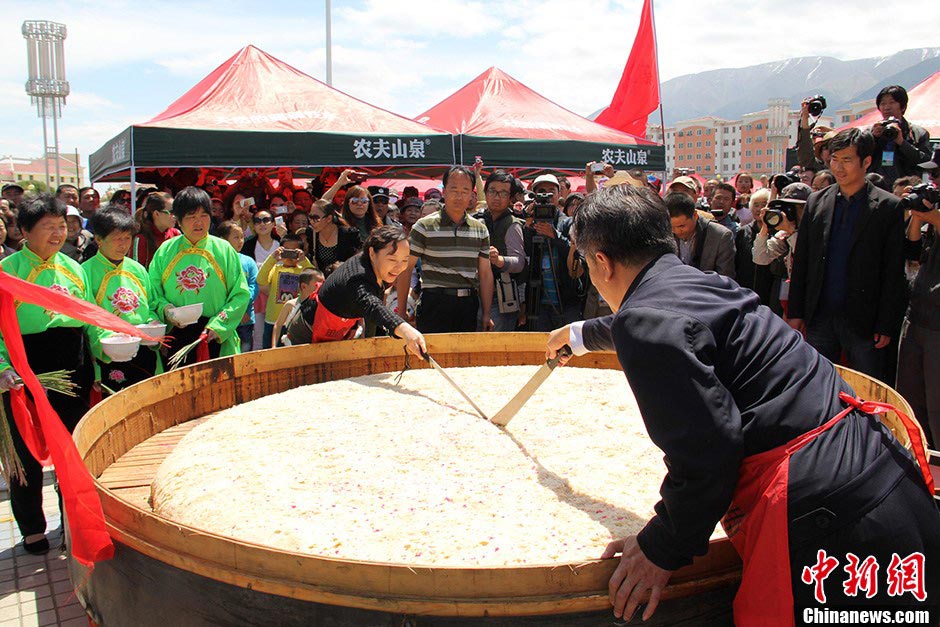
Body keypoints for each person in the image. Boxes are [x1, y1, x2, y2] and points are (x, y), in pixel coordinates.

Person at [545, 183, 940, 624]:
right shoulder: (705, 283)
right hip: (884, 473)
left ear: (601, 261)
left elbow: (709, 452)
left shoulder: (649, 319)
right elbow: (658, 321)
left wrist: (661, 544)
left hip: (833, 521)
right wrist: (580, 335)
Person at [0, 194, 107, 555]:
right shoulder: (7, 271)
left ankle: (70, 516)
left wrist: (101, 357)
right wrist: (3, 368)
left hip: (72, 368)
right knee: (24, 452)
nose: (58, 233)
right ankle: (31, 527)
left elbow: (90, 317)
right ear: (24, 231)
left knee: (71, 449)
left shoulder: (74, 267)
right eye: (48, 227)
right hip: (23, 371)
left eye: (62, 226)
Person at [788, 128, 906, 380]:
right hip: (820, 315)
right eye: (834, 160)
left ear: (866, 162)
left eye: (847, 160)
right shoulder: (817, 202)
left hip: (864, 319)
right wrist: (796, 312)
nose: (838, 168)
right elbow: (803, 261)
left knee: (866, 388)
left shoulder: (888, 207)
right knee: (819, 384)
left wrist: (886, 323)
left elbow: (893, 270)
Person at [148, 186, 250, 365]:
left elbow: (240, 294)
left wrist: (218, 325)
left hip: (214, 334)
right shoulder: (165, 250)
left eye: (204, 215)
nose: (199, 222)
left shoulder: (224, 249)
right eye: (191, 217)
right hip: (176, 334)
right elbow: (153, 292)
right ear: (178, 220)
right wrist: (166, 310)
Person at [395, 166, 494, 333]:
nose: (459, 195)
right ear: (444, 191)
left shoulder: (480, 229)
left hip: (468, 305)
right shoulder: (423, 226)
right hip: (434, 304)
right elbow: (405, 269)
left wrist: (486, 313)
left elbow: (485, 273)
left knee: (465, 357)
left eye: (465, 190)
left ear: (472, 194)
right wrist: (402, 310)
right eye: (453, 189)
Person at [304, 225, 426, 355]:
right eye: (392, 259)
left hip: (343, 329)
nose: (399, 267)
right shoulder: (357, 276)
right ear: (372, 253)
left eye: (404, 261)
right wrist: (404, 329)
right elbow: (372, 305)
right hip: (308, 329)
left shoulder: (374, 266)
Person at [83, 209, 161, 392]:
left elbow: (150, 304)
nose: (123, 244)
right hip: (109, 351)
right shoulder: (85, 271)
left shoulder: (138, 269)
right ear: (99, 239)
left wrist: (152, 322)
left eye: (127, 238)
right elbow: (87, 318)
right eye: (117, 238)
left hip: (142, 347)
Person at [897, 187, 940, 445]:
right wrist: (918, 214)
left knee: (937, 408)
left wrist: (931, 215)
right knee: (911, 402)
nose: (934, 181)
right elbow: (912, 251)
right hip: (917, 317)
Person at [522, 174, 579, 331]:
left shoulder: (568, 223)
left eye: (551, 191)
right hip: (539, 302)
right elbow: (526, 254)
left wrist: (555, 236)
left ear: (559, 194)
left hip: (566, 301)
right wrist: (528, 226)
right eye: (541, 191)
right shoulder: (531, 223)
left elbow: (576, 256)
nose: (546, 196)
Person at [478, 170, 526, 332]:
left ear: (511, 198)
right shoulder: (478, 220)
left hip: (499, 299)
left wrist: (499, 260)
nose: (497, 197)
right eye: (493, 191)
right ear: (485, 193)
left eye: (503, 193)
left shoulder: (512, 224)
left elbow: (519, 263)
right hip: (475, 295)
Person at [257, 231, 314, 349]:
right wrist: (272, 259)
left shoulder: (303, 270)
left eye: (294, 252)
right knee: (270, 352)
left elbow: (315, 281)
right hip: (273, 320)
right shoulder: (276, 268)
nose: (289, 256)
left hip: (295, 321)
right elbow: (261, 280)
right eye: (286, 251)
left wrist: (304, 261)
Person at [869, 85, 933, 188]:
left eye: (892, 102)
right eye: (883, 103)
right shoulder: (872, 131)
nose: (886, 107)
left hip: (906, 188)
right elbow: (860, 157)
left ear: (902, 106)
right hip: (876, 188)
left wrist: (902, 143)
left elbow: (925, 162)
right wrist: (873, 138)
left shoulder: (918, 133)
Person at [665, 192, 736, 279]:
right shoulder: (663, 233)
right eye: (671, 226)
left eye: (681, 226)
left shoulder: (721, 236)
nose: (676, 231)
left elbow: (725, 279)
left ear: (695, 216)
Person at [216, 221, 259, 353]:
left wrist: (241, 308)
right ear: (223, 240)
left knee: (244, 353)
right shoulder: (216, 262)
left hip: (246, 318)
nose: (241, 241)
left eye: (242, 237)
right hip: (223, 318)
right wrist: (233, 312)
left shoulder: (248, 261)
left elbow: (254, 286)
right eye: (236, 237)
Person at [302, 200, 360, 277]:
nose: (312, 222)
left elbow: (358, 258)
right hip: (321, 281)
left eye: (316, 218)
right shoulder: (311, 232)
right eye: (310, 217)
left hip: (343, 279)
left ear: (329, 218)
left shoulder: (348, 234)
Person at [272, 267, 321, 347]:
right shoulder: (290, 304)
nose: (320, 287)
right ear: (303, 286)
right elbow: (278, 325)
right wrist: (273, 346)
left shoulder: (320, 306)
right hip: (291, 346)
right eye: (317, 285)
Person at [132, 192, 179, 268]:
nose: (175, 216)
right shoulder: (141, 239)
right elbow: (136, 273)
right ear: (156, 214)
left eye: (176, 211)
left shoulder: (176, 234)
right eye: (171, 212)